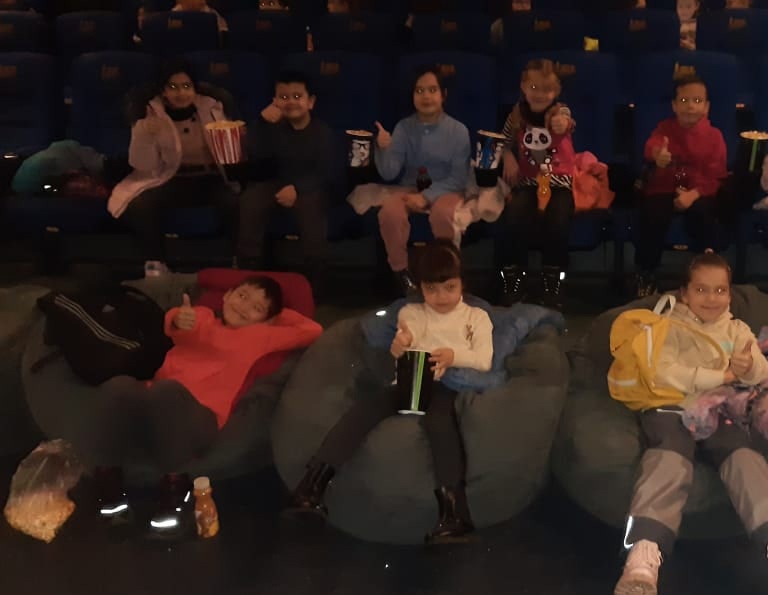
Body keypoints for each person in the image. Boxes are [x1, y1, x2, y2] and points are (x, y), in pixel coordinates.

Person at [613, 252, 768, 595]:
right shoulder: (666, 327)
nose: (711, 298)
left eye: (720, 290)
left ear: (729, 293)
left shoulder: (737, 330)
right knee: (669, 456)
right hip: (670, 406)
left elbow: (760, 373)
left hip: (719, 410)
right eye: (701, 289)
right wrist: (723, 375)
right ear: (684, 293)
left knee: (743, 456)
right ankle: (644, 554)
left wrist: (749, 365)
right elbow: (665, 373)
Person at [287, 239, 493, 544]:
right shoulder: (411, 312)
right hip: (408, 382)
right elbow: (405, 341)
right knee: (365, 409)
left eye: (449, 287)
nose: (441, 297)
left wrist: (453, 356)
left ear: (463, 282)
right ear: (420, 287)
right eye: (431, 289)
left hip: (447, 384)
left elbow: (484, 360)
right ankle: (312, 485)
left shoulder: (476, 317)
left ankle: (454, 513)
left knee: (440, 423)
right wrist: (399, 346)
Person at [88, 276, 322, 537]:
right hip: (153, 406)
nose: (244, 307)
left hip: (199, 419)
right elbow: (180, 322)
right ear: (226, 295)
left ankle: (174, 494)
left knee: (168, 392)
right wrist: (179, 318)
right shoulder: (202, 317)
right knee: (118, 386)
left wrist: (273, 316)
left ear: (268, 320)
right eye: (242, 296)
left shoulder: (262, 335)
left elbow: (312, 330)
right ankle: (110, 493)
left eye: (256, 308)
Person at [108, 61, 237, 276]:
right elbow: (142, 165)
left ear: (195, 89)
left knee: (234, 200)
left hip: (210, 177)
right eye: (173, 87)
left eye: (186, 86)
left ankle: (237, 260)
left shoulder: (212, 108)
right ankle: (155, 263)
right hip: (171, 177)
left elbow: (230, 153)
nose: (181, 93)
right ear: (163, 91)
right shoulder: (150, 113)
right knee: (141, 204)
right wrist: (145, 135)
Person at [373, 67, 471, 295]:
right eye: (419, 91)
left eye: (432, 90)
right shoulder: (403, 127)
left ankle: (448, 274)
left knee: (443, 214)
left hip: (447, 187)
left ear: (443, 95)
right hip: (410, 186)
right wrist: (383, 148)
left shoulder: (458, 131)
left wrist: (426, 197)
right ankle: (402, 274)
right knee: (390, 212)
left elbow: (458, 178)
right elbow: (389, 173)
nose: (426, 96)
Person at [235, 71, 334, 291]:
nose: (291, 102)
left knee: (311, 206)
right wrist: (262, 122)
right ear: (275, 101)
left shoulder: (322, 133)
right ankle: (249, 272)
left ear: (311, 102)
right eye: (284, 97)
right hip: (275, 182)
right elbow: (254, 153)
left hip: (308, 186)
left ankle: (315, 283)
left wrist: (298, 188)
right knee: (251, 200)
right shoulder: (272, 127)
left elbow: (326, 171)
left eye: (297, 96)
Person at [634, 75, 727, 298]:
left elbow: (716, 176)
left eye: (697, 101)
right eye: (684, 101)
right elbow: (653, 147)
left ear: (706, 107)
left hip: (698, 192)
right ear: (674, 105)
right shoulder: (664, 129)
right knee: (652, 214)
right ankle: (646, 273)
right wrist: (658, 156)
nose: (690, 106)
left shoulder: (714, 136)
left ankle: (706, 273)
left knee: (705, 215)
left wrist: (693, 195)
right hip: (665, 189)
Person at [496, 59, 577, 310]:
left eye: (547, 89)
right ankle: (515, 277)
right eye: (533, 87)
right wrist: (508, 157)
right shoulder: (517, 114)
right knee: (514, 215)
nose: (540, 94)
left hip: (558, 182)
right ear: (523, 86)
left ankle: (553, 280)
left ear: (557, 91)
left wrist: (562, 123)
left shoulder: (559, 112)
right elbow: (504, 141)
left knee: (558, 221)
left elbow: (566, 122)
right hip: (529, 181)